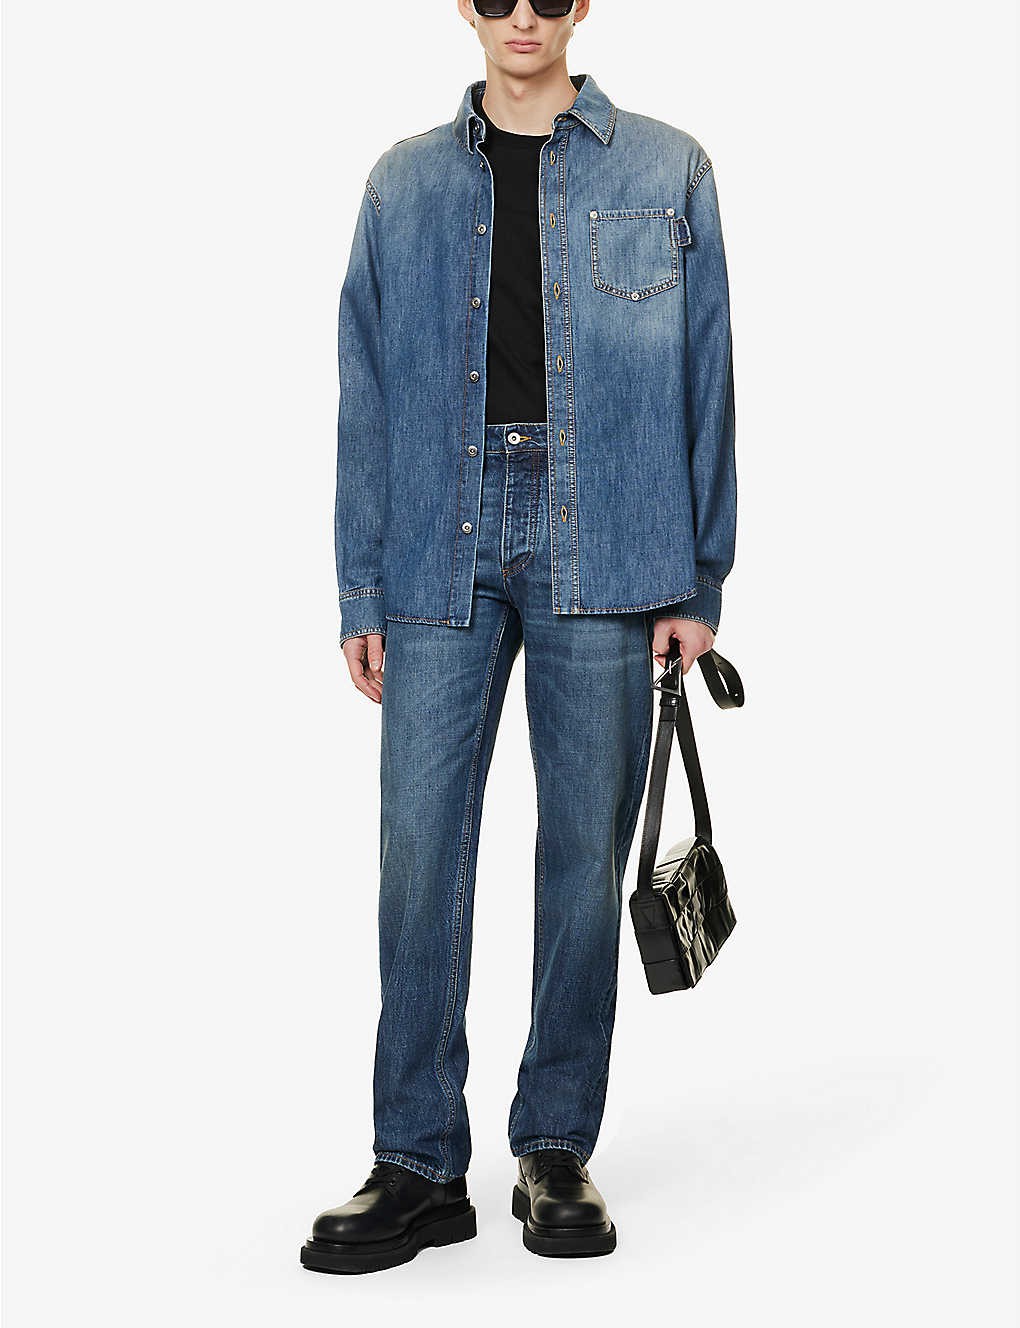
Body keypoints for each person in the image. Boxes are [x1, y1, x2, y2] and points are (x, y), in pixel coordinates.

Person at [300, 0, 736, 1274]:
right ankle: (417, 1159)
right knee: (418, 852)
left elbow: (709, 373)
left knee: (582, 856)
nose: (524, 16)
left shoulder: (670, 167)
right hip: (439, 536)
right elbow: (364, 388)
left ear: (582, 3)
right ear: (465, 6)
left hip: (614, 535)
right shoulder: (402, 184)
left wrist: (700, 576)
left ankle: (554, 1145)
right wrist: (359, 586)